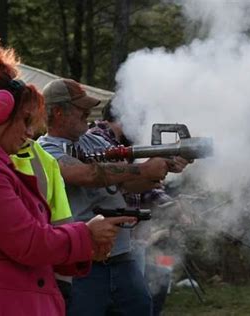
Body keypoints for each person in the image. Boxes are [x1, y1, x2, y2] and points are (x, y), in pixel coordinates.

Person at [0, 44, 133, 315]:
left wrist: (84, 249)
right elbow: (28, 242)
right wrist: (86, 236)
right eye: (25, 120)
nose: (29, 132)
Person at [38, 78, 190, 315]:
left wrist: (163, 167)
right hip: (82, 263)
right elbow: (85, 174)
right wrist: (143, 169)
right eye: (81, 109)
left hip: (122, 256)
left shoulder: (95, 140)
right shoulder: (45, 149)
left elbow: (128, 182)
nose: (88, 113)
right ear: (58, 112)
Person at [11, 138, 75, 305]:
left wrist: (63, 281)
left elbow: (62, 220)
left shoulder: (42, 157)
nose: (29, 130)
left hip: (35, 283)